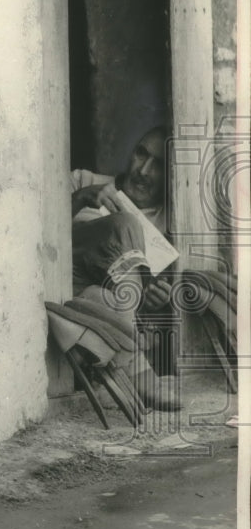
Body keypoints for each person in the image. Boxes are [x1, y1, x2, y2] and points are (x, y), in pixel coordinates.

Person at [67, 125, 178, 409]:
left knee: (100, 297)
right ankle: (138, 371)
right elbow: (35, 234)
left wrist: (155, 302)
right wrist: (80, 199)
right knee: (126, 224)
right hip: (63, 283)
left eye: (160, 165)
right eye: (141, 154)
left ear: (173, 176)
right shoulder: (82, 181)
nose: (143, 170)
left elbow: (147, 307)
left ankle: (111, 375)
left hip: (92, 311)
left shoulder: (169, 226)